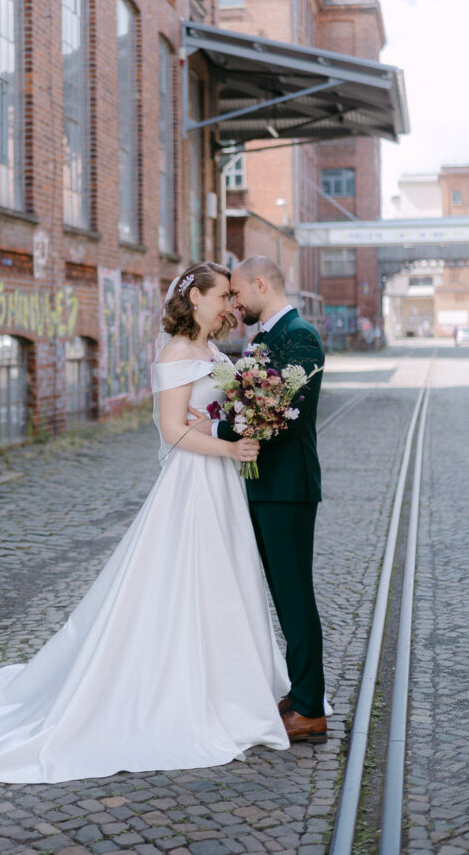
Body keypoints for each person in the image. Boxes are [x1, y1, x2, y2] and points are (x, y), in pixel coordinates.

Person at [0, 261, 291, 785]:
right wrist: (227, 444)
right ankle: (180, 688)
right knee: (187, 579)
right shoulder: (177, 352)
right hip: (194, 483)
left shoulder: (210, 352)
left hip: (219, 482)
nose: (229, 304)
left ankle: (234, 685)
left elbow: (207, 411)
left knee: (226, 579)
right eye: (222, 294)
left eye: (231, 295)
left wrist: (226, 422)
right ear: (195, 298)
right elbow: (172, 429)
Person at [191, 256, 327, 743]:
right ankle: (300, 690)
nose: (236, 303)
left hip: (288, 489)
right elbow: (254, 401)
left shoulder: (301, 337)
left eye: (238, 294)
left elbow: (280, 419)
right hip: (262, 485)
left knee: (295, 596)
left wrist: (214, 428)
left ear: (262, 284)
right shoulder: (264, 339)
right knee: (280, 595)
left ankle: (310, 709)